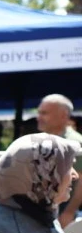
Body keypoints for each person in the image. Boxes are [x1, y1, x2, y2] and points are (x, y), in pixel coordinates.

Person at [36, 95, 82, 225]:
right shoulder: (43, 139)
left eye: (44, 113)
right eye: (39, 112)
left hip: (62, 213)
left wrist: (69, 212)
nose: (38, 117)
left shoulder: (74, 143)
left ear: (63, 116)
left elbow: (81, 179)